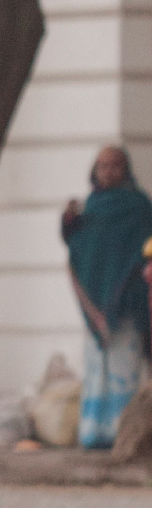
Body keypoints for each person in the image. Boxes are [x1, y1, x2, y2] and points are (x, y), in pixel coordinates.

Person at [62, 145, 152, 449]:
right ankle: (93, 433)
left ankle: (122, 434)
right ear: (95, 171)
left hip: (128, 305)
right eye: (103, 166)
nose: (109, 172)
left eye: (115, 165)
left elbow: (142, 250)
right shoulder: (90, 208)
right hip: (96, 308)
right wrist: (69, 221)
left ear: (126, 169)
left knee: (124, 368)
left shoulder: (139, 207)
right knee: (95, 370)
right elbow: (79, 248)